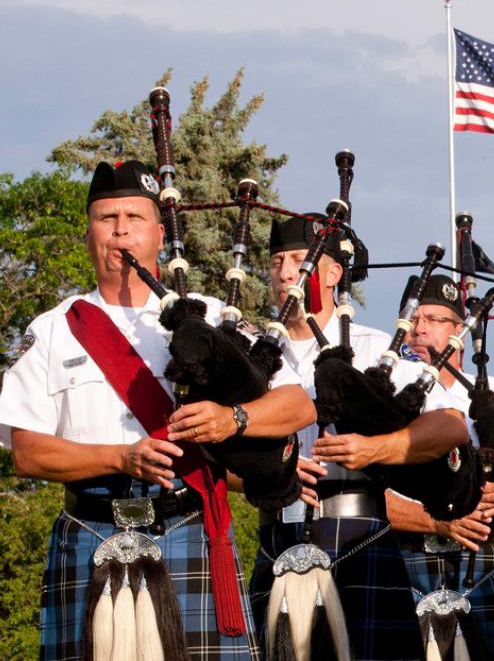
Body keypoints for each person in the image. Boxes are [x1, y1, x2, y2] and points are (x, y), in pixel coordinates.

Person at [0, 160, 315, 659]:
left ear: (159, 234)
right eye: (107, 218)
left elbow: (297, 403)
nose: (121, 229)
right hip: (89, 533)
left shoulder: (210, 317)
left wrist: (232, 418)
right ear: (89, 235)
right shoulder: (54, 329)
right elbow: (27, 452)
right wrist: (122, 459)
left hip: (188, 526)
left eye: (135, 217)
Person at [248, 215, 468, 660]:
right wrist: (273, 472)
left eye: (298, 260)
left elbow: (452, 424)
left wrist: (377, 449)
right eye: (277, 262)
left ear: (332, 273)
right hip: (276, 539)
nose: (287, 272)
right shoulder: (253, 355)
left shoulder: (374, 350)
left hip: (358, 536)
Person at [388, 274, 494, 661]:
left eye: (435, 320)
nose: (420, 330)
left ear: (460, 331)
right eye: (412, 319)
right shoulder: (382, 396)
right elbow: (368, 491)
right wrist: (436, 521)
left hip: (489, 561)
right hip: (406, 558)